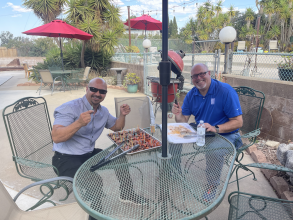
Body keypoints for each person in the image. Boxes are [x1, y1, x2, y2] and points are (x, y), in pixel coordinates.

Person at [51, 78, 146, 212]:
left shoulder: (103, 112)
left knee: (120, 156)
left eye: (102, 91)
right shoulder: (70, 107)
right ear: (87, 89)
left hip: (88, 155)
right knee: (94, 181)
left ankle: (126, 194)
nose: (97, 93)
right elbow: (56, 136)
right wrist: (78, 123)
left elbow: (117, 127)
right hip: (65, 158)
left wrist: (122, 115)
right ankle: (96, 213)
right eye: (94, 89)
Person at [171, 63, 243, 202]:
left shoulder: (225, 91)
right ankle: (174, 171)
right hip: (202, 132)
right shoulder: (192, 94)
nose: (198, 78)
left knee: (213, 150)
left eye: (202, 74)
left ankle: (212, 185)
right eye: (194, 76)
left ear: (209, 73)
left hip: (226, 134)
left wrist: (216, 128)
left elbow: (238, 122)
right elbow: (183, 121)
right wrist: (178, 114)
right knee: (172, 136)